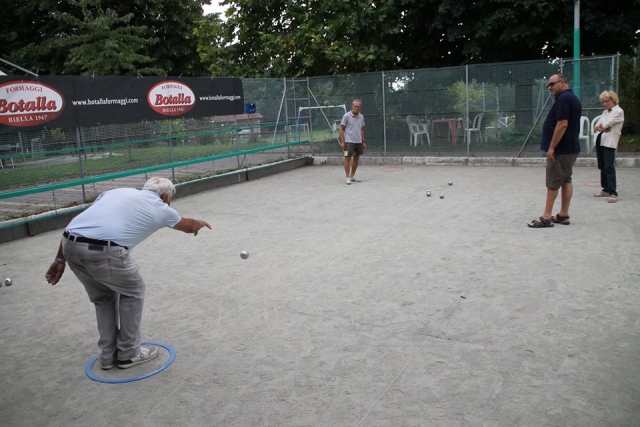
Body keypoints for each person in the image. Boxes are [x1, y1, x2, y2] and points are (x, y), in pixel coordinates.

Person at [45, 177, 211, 370]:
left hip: (69, 245)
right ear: (165, 196)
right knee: (133, 290)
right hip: (104, 251)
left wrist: (60, 259)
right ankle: (129, 353)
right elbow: (189, 226)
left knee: (103, 298)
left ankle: (108, 356)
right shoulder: (161, 208)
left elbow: (80, 224)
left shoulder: (115, 193)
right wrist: (198, 223)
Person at [528, 74, 582, 228]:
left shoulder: (564, 99)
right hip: (569, 148)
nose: (550, 88)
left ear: (562, 82)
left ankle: (546, 217)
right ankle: (563, 214)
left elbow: (562, 124)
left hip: (561, 149)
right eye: (548, 85)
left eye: (552, 84)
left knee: (553, 182)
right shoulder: (571, 98)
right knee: (566, 179)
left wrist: (552, 147)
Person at [593, 91, 624, 203]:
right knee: (602, 165)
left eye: (607, 101)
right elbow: (598, 126)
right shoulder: (605, 112)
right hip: (600, 140)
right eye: (603, 102)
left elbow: (607, 124)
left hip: (610, 142)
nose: (605, 104)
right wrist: (603, 128)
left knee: (609, 166)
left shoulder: (619, 111)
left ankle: (613, 192)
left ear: (613, 100)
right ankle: (605, 188)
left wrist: (603, 127)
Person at [339, 99, 366, 185]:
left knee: (356, 158)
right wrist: (342, 142)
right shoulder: (346, 116)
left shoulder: (361, 117)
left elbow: (361, 129)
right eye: (355, 106)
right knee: (347, 158)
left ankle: (352, 175)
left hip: (358, 142)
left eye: (358, 106)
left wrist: (363, 141)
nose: (357, 108)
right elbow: (341, 128)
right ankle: (347, 177)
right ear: (352, 106)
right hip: (348, 142)